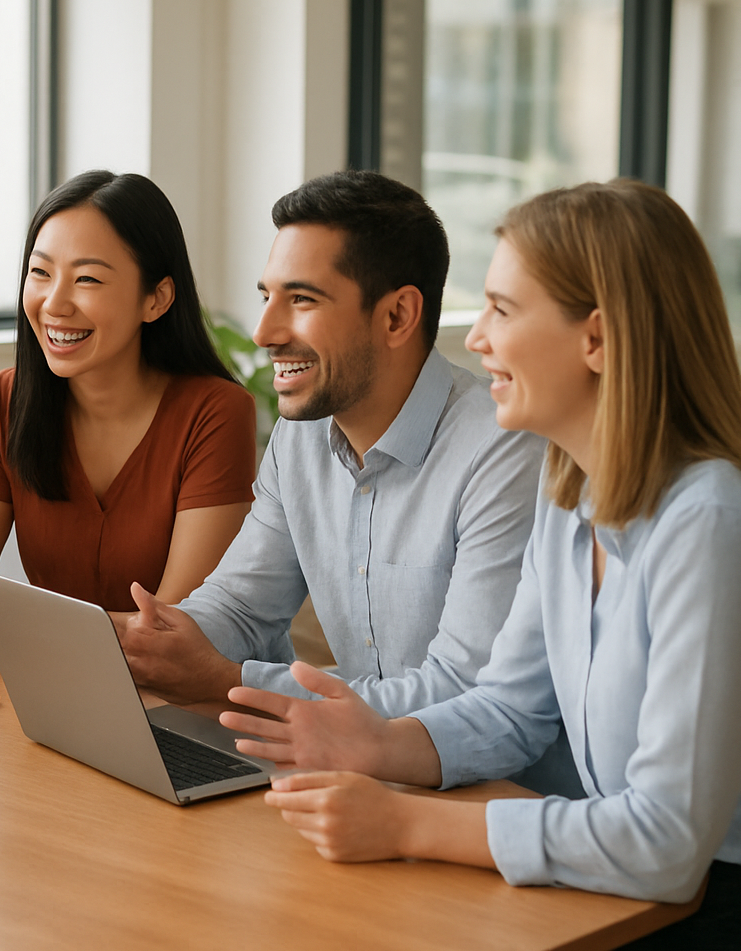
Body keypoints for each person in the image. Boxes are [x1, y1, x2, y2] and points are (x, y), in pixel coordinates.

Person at [224, 180, 741, 942]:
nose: (475, 340)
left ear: (596, 341)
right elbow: (511, 709)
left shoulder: (707, 520)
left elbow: (665, 844)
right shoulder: (570, 491)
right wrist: (377, 742)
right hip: (603, 886)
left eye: (501, 309)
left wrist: (404, 823)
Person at [116, 171, 573, 789]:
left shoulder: (505, 448)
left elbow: (462, 693)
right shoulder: (301, 435)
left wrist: (230, 681)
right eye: (267, 296)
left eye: (302, 300)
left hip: (500, 800)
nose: (264, 333)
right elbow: (242, 605)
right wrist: (157, 640)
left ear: (397, 316)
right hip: (362, 780)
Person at [0, 171, 257, 639]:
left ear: (156, 299)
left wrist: (11, 615)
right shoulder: (7, 401)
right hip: (55, 676)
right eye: (41, 273)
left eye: (87, 278)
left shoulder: (216, 413)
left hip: (187, 685)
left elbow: (172, 633)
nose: (55, 303)